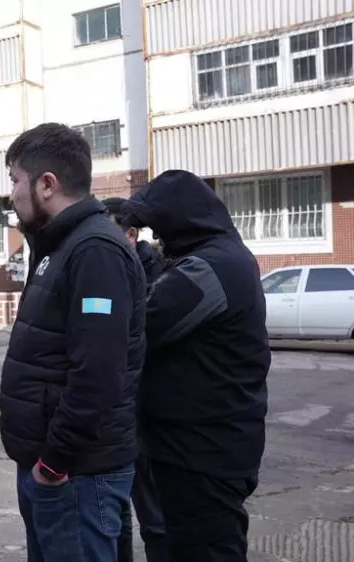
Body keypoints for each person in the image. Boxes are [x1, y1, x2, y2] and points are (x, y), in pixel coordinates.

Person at [0, 123, 147, 562]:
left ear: (47, 184)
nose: (11, 194)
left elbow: (97, 373)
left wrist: (54, 463)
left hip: (76, 474)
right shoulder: (59, 246)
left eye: (15, 180)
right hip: (58, 469)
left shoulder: (94, 250)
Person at [119, 170, 270, 562]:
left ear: (183, 221)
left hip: (203, 455)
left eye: (161, 228)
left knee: (207, 549)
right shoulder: (225, 257)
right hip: (203, 448)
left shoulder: (209, 268)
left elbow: (137, 326)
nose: (158, 239)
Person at [101, 197, 168, 562]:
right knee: (115, 511)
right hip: (116, 416)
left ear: (130, 234)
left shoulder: (158, 275)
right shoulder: (104, 267)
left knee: (154, 518)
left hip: (147, 414)